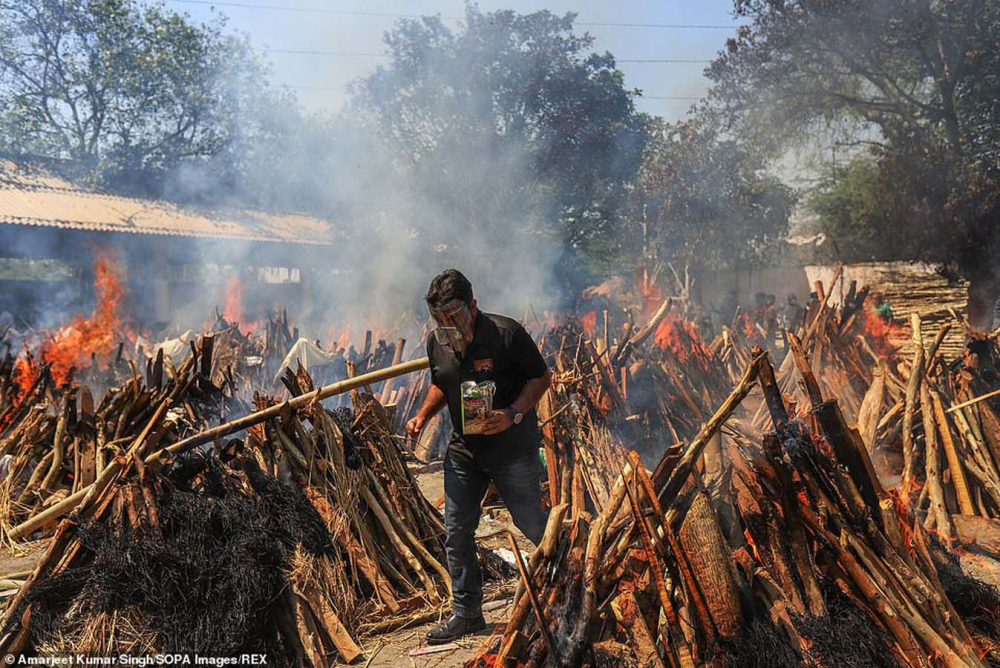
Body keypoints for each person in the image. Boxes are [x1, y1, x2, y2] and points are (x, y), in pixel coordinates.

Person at [407, 269, 552, 644]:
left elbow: (541, 378)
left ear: (472, 305)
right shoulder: (437, 343)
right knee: (457, 533)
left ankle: (571, 580)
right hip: (464, 452)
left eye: (453, 315)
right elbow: (443, 383)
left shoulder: (507, 334)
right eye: (439, 317)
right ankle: (467, 614)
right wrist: (423, 415)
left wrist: (513, 414)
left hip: (512, 450)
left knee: (532, 523)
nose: (446, 324)